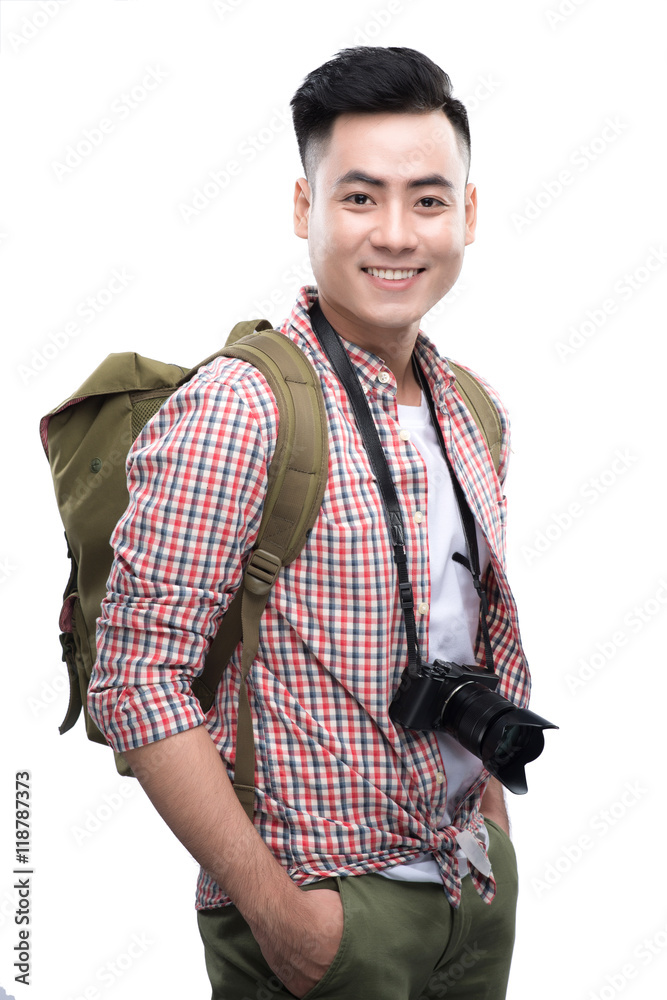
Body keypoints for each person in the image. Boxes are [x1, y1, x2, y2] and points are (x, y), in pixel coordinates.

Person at [89, 45, 530, 1000]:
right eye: (360, 197)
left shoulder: (471, 406)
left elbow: (469, 634)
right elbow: (135, 677)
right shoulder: (242, 408)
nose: (397, 234)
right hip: (323, 909)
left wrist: (493, 819)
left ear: (468, 212)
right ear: (305, 210)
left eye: (428, 199)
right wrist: (279, 912)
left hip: (474, 890)